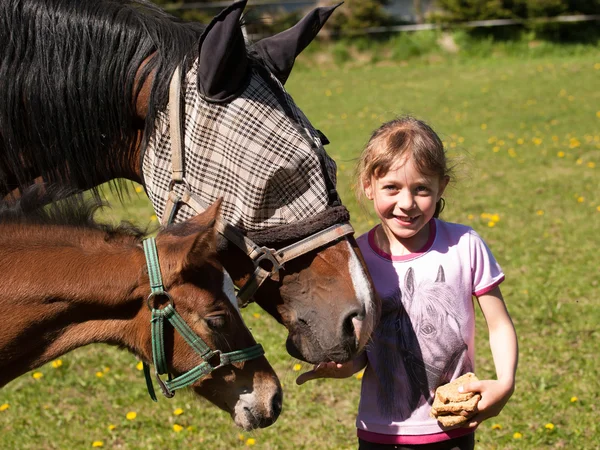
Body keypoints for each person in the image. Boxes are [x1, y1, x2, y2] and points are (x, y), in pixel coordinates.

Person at [296, 116, 518, 450]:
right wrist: (342, 365)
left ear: (441, 187)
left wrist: (506, 383)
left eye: (421, 189)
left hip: (452, 431)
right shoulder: (358, 260)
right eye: (391, 188)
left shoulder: (465, 245)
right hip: (382, 432)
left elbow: (499, 325)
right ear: (369, 186)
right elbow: (364, 352)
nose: (406, 203)